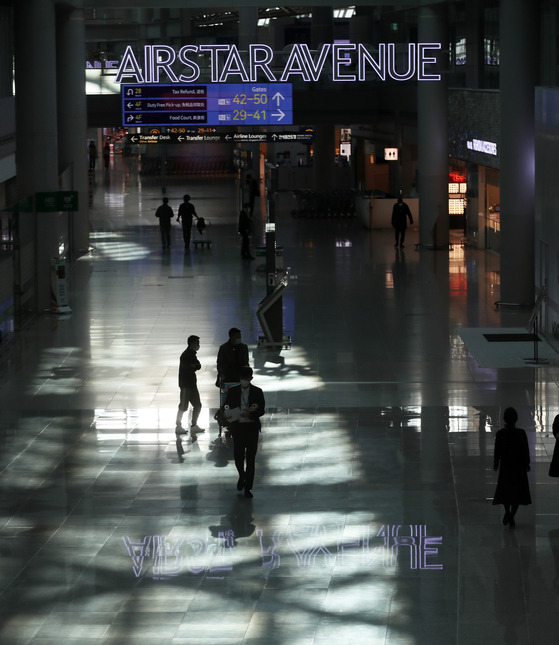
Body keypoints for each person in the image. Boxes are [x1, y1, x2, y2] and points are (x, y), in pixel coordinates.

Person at [224, 366, 265, 498]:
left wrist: (251, 413)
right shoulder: (233, 391)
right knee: (238, 456)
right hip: (238, 427)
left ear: (251, 378)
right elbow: (227, 406)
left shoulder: (257, 392)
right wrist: (227, 415)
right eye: (242, 378)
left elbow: (262, 410)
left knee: (251, 458)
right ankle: (242, 475)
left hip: (252, 428)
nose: (244, 381)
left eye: (246, 379)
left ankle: (248, 488)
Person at [492, 407, 532, 528]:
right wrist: (527, 464)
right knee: (517, 493)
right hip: (518, 466)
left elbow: (497, 451)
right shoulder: (521, 433)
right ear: (516, 419)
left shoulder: (500, 434)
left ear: (504, 419)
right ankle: (511, 515)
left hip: (506, 466)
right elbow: (525, 450)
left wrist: (496, 463)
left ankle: (507, 512)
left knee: (505, 491)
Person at [175, 335, 204, 436]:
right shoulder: (185, 355)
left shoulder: (192, 354)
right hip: (186, 385)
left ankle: (194, 424)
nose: (198, 345)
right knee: (183, 405)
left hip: (192, 384)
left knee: (198, 405)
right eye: (197, 343)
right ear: (192, 344)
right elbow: (189, 368)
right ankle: (178, 426)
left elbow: (198, 365)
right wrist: (194, 366)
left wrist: (194, 366)